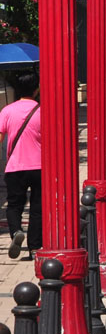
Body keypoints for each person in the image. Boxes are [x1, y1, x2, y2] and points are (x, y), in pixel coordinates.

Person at [0, 71, 40, 260]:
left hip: (15, 166)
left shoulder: (8, 111)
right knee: (37, 208)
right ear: (36, 89)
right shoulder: (43, 111)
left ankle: (16, 231)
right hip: (40, 166)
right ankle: (34, 248)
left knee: (14, 204)